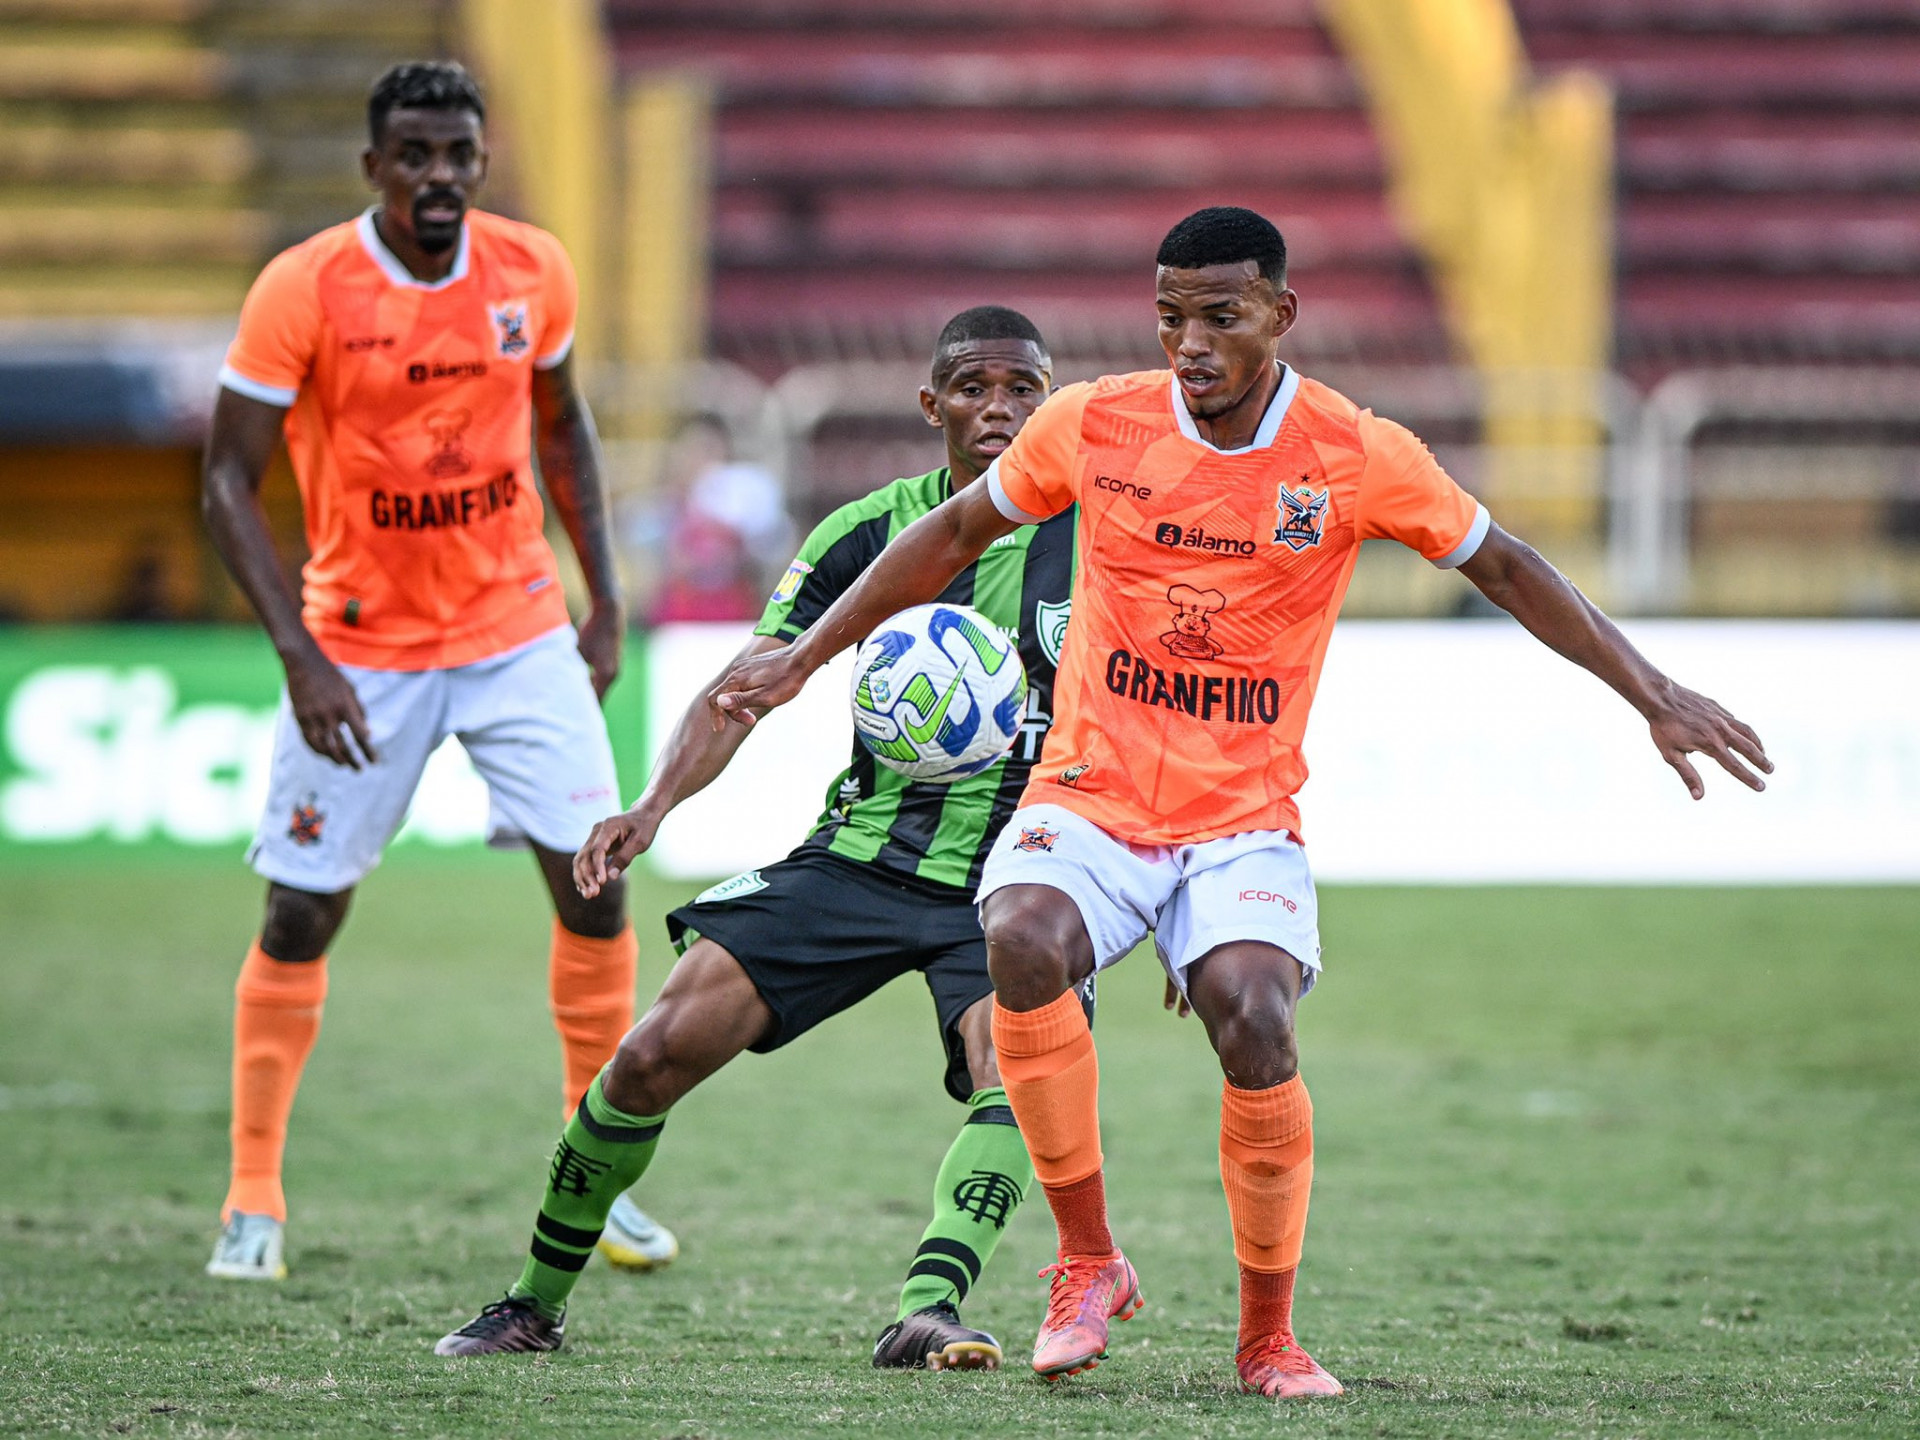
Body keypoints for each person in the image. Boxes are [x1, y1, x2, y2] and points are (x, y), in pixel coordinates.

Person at [699, 207, 1775, 1398]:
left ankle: (1268, 1338)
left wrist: (1654, 691)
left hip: (1242, 819)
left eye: (1221, 315)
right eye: (1171, 316)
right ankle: (1087, 1261)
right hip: (1091, 792)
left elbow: (1506, 564)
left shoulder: (1353, 452)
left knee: (1254, 1016)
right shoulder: (1093, 422)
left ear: (1281, 314)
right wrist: (803, 660)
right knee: (1019, 936)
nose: (1191, 342)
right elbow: (953, 532)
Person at [434, 306, 1080, 1370]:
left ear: (1049, 401)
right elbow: (748, 688)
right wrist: (651, 808)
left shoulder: (1105, 540)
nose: (999, 408)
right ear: (933, 405)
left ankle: (931, 1305)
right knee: (648, 1056)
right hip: (865, 852)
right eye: (974, 387)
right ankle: (530, 1306)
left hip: (1031, 870)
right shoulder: (868, 536)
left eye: (1022, 388)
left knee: (1014, 1073)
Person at [200, 61, 673, 1280]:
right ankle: (254, 1194)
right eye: (414, 156)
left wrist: (606, 600)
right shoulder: (303, 288)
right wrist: (300, 657)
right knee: (303, 909)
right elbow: (224, 481)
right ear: (374, 169)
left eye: (459, 154)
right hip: (359, 648)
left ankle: (596, 1173)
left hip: (518, 632)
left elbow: (563, 426)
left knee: (596, 883)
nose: (440, 178)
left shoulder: (533, 271)